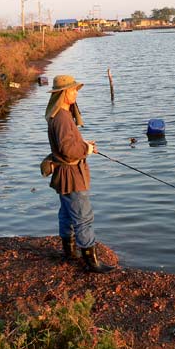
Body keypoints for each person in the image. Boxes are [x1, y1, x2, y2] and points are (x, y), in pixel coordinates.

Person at [44, 74, 114, 273]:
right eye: (73, 89)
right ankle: (91, 262)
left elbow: (67, 146)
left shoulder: (58, 113)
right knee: (84, 217)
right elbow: (68, 150)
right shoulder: (63, 117)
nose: (76, 92)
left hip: (64, 174)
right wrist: (87, 150)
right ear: (64, 93)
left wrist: (84, 145)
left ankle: (69, 252)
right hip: (72, 175)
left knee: (66, 214)